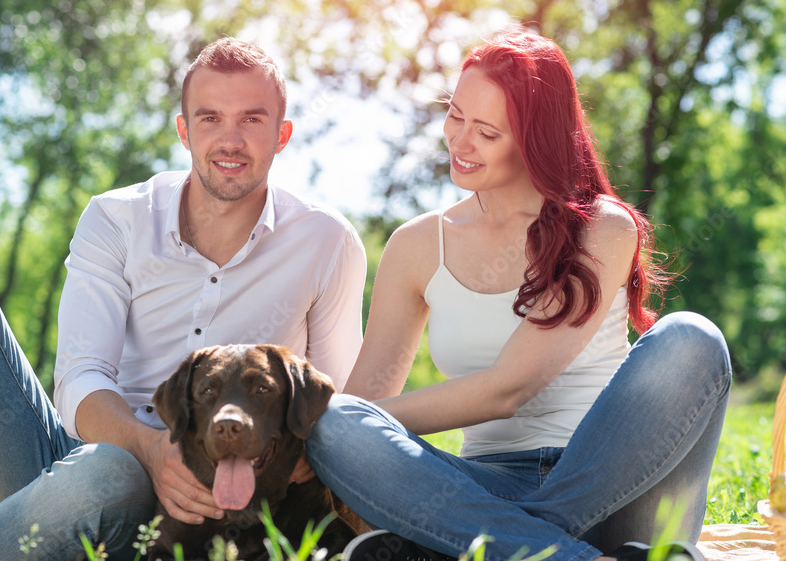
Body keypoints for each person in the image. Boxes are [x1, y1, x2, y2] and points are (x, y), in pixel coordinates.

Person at [0, 38, 367, 561]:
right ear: (184, 130)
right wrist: (150, 448)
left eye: (252, 120)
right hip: (72, 469)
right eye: (210, 119)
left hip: (222, 490)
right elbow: (81, 376)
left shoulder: (327, 242)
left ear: (282, 134)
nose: (230, 140)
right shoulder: (117, 218)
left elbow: (340, 403)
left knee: (113, 473)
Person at [305, 28, 731, 561]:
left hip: (625, 493)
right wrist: (346, 425)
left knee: (693, 337)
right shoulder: (416, 246)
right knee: (337, 424)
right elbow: (366, 402)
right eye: (455, 116)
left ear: (535, 139)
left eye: (486, 131)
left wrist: (377, 429)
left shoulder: (603, 229)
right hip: (484, 487)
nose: (459, 143)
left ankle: (486, 545)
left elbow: (508, 388)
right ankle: (549, 551)